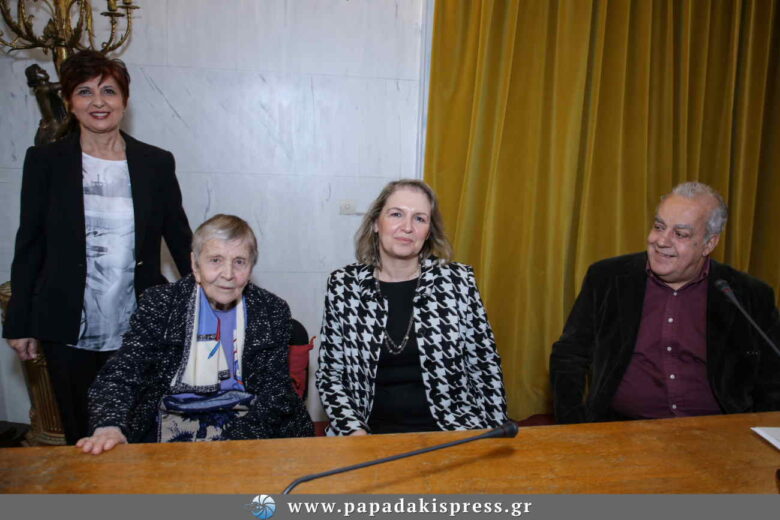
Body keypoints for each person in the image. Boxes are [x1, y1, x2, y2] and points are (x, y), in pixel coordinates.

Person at [3, 50, 193, 444]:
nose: (98, 102)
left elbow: (179, 237)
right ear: (69, 102)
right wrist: (19, 322)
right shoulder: (45, 161)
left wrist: (209, 308)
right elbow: (30, 243)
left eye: (108, 91)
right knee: (82, 435)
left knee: (140, 432)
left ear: (125, 99)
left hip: (139, 326)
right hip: (66, 326)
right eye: (85, 92)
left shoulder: (155, 163)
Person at [77, 215, 313, 454]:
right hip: (168, 421)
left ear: (251, 267)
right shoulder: (160, 304)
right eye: (215, 260)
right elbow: (123, 371)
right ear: (195, 263)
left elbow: (275, 393)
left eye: (240, 262)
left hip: (252, 424)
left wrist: (230, 445)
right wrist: (109, 425)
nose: (228, 273)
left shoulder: (271, 309)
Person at [550, 182, 780, 424]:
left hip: (717, 432)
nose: (661, 241)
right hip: (621, 428)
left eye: (680, 234)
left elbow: (773, 376)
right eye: (659, 227)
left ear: (709, 244)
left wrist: (753, 432)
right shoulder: (607, 278)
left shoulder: (748, 295)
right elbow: (569, 355)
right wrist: (572, 423)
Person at [316, 179, 508, 435]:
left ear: (428, 231)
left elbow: (485, 364)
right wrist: (354, 433)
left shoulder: (458, 281)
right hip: (367, 432)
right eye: (396, 214)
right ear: (376, 223)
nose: (407, 227)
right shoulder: (344, 285)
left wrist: (493, 434)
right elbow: (330, 374)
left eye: (419, 218)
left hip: (452, 431)